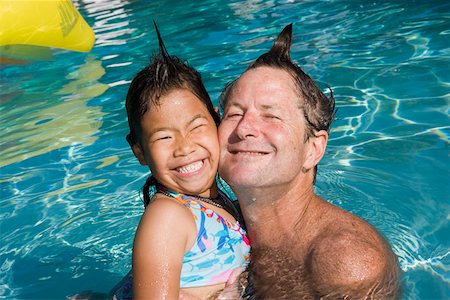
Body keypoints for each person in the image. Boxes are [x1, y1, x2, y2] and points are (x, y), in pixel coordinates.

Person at [218, 24, 401, 299]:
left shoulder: (345, 264)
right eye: (234, 114)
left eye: (271, 116)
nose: (244, 128)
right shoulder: (209, 225)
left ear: (313, 149)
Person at [113, 22, 250, 300]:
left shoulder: (219, 199)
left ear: (216, 120)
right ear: (139, 151)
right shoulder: (167, 218)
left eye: (197, 127)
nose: (185, 148)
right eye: (164, 137)